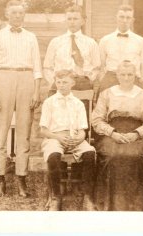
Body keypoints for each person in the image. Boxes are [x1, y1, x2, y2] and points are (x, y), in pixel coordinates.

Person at [0, 0, 42, 198]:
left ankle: (21, 179)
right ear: (7, 14)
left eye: (21, 13)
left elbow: (37, 67)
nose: (18, 16)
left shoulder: (31, 37)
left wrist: (36, 92)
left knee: (24, 132)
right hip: (4, 79)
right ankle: (0, 179)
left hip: (26, 79)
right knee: (1, 133)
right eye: (14, 13)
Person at [92, 60, 143, 211]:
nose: (126, 78)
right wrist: (112, 133)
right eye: (123, 74)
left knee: (133, 156)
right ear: (117, 75)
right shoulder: (107, 93)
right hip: (111, 133)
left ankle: (137, 205)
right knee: (113, 156)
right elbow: (96, 120)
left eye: (130, 74)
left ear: (135, 75)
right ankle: (110, 204)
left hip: (137, 134)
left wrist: (136, 134)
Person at [39, 69, 96, 211]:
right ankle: (56, 197)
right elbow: (43, 130)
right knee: (54, 155)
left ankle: (88, 197)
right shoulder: (49, 102)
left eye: (65, 82)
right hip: (54, 137)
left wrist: (78, 139)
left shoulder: (78, 104)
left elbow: (83, 130)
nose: (61, 85)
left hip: (75, 138)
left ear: (72, 83)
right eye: (58, 82)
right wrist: (57, 137)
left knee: (90, 153)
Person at [43, 5, 100, 94]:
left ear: (83, 21)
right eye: (69, 19)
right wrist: (54, 82)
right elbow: (47, 67)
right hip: (60, 83)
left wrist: (88, 80)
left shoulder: (91, 43)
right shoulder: (56, 42)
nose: (72, 22)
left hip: (82, 84)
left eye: (75, 19)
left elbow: (96, 67)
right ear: (65, 21)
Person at [98, 5, 143, 92]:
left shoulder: (140, 41)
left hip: (132, 80)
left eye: (128, 17)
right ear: (116, 18)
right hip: (111, 79)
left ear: (132, 20)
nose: (124, 20)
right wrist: (104, 79)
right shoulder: (105, 40)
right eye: (121, 17)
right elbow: (101, 64)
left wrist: (141, 80)